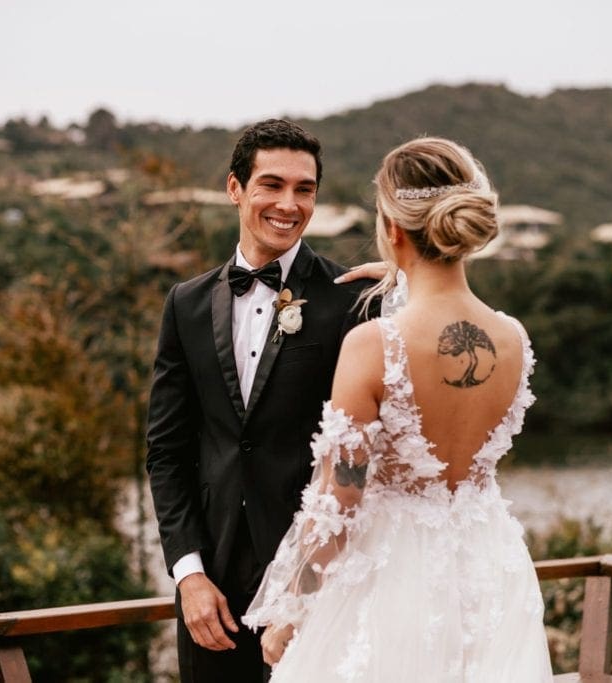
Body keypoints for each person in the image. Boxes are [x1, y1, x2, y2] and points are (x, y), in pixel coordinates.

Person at [242, 137, 554, 681]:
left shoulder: (376, 344)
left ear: (391, 228)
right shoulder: (513, 339)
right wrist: (400, 277)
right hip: (490, 575)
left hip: (394, 581)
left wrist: (291, 611)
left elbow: (338, 501)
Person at [145, 119, 378, 682]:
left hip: (317, 584)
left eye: (305, 189)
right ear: (234, 189)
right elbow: (166, 452)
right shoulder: (186, 304)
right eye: (272, 185)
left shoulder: (355, 298)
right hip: (213, 595)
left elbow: (370, 454)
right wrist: (188, 575)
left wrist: (404, 287)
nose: (289, 204)